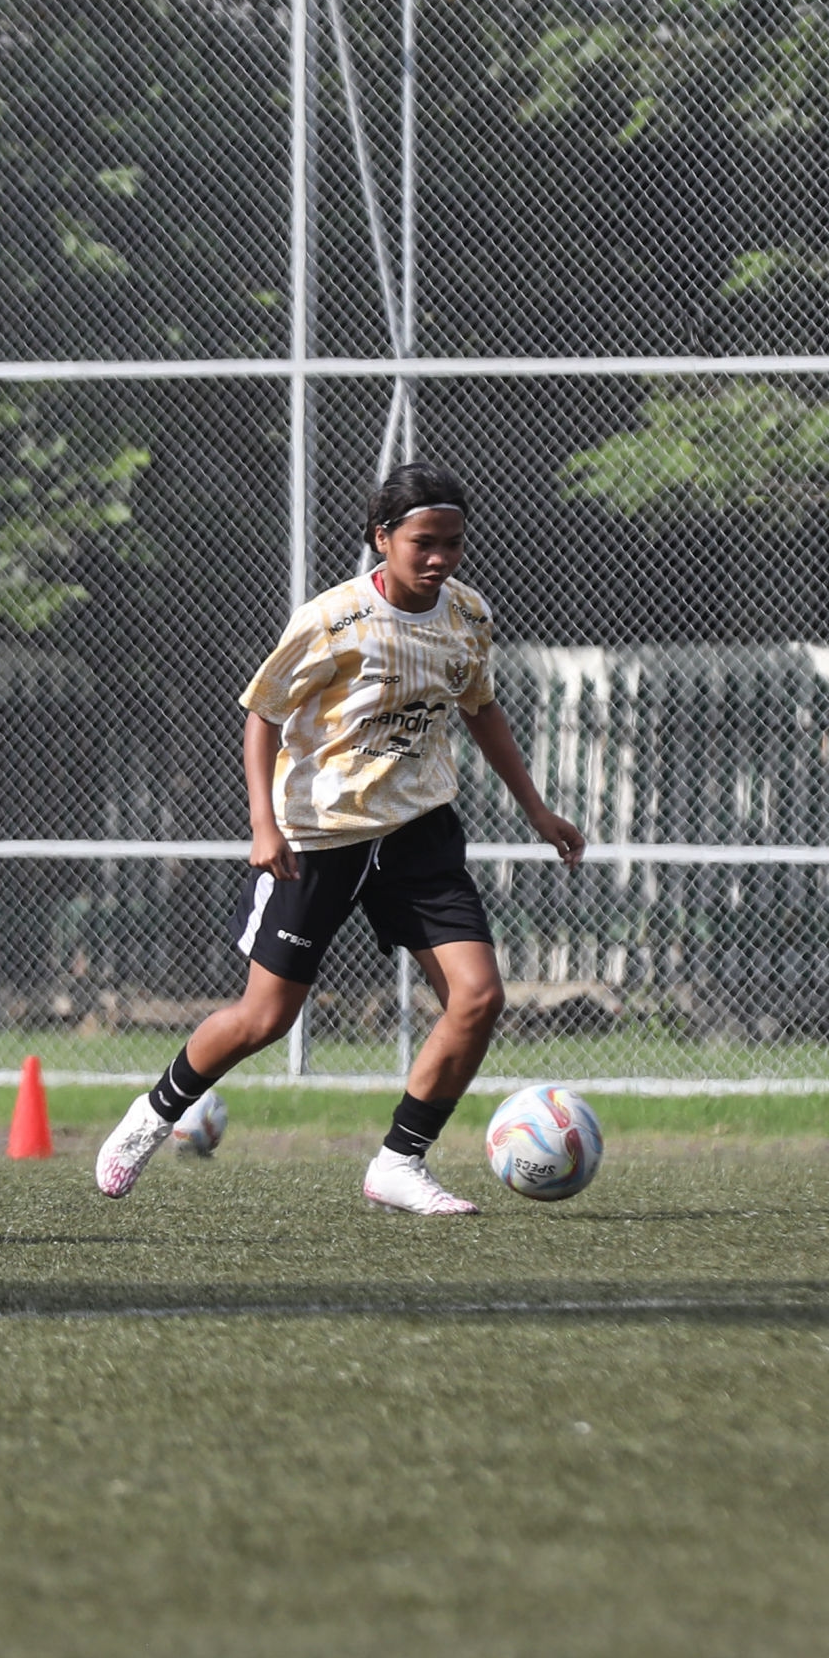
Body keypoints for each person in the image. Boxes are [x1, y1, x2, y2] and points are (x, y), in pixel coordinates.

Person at [93, 461, 586, 1214]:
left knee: (478, 997)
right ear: (381, 538)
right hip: (321, 837)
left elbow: (480, 708)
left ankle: (399, 1161)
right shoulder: (334, 619)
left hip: (420, 832)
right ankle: (153, 1114)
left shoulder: (468, 615)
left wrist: (537, 810)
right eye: (424, 543)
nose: (441, 559)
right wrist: (263, 824)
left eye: (453, 543)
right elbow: (261, 715)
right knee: (265, 1018)